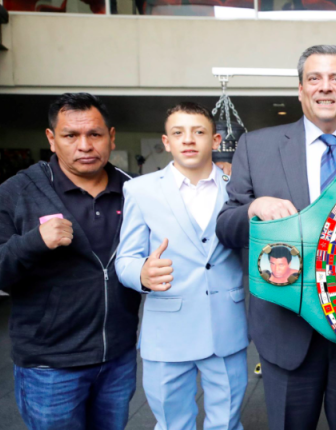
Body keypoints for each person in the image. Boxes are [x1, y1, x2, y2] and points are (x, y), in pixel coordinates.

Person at [216, 45, 336, 430]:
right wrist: (253, 209)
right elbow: (226, 226)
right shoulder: (258, 146)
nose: (325, 88)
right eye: (314, 78)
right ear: (300, 90)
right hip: (287, 329)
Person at [0, 93, 141, 429]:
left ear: (111, 137)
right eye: (70, 135)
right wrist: (33, 243)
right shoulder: (18, 192)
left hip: (119, 356)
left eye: (94, 135)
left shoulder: (135, 192)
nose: (84, 145)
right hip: (50, 365)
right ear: (52, 139)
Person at [115, 102, 249, 430]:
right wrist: (142, 274)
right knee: (172, 423)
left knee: (227, 422)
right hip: (167, 330)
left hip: (226, 325)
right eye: (178, 133)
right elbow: (125, 259)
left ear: (216, 140)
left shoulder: (240, 190)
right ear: (166, 141)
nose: (188, 140)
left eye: (198, 132)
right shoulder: (140, 190)